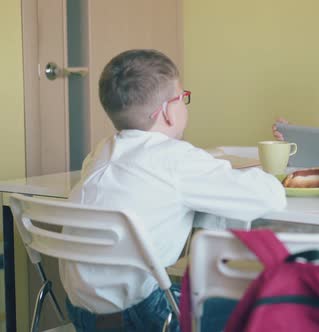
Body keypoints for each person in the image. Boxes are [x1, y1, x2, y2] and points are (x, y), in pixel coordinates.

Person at [60, 49, 286, 331]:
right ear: (167, 111)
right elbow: (270, 196)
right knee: (257, 309)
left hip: (82, 315)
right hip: (145, 317)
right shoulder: (176, 158)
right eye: (183, 97)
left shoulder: (100, 152)